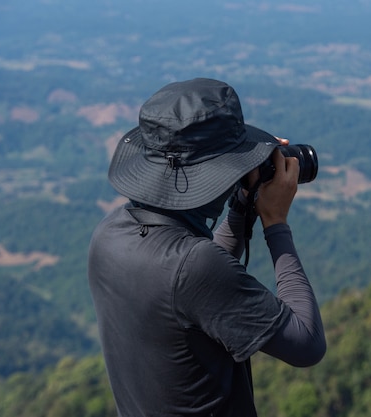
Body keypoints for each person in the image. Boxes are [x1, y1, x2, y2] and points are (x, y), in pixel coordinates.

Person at [88, 78, 326, 417]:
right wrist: (276, 223)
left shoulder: (109, 234)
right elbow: (307, 345)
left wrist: (243, 206)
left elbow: (192, 292)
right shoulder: (192, 267)